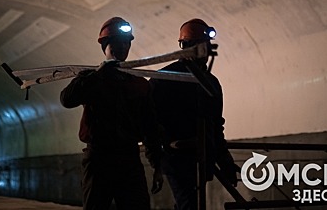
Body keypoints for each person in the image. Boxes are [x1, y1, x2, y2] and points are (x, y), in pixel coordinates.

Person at [60, 16, 163, 210]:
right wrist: (96, 76)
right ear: (105, 45)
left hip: (129, 159)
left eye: (126, 43)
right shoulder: (91, 79)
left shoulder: (139, 83)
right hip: (99, 159)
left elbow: (150, 126)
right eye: (118, 43)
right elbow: (67, 99)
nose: (123, 47)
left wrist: (157, 166)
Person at [149, 18, 238, 210]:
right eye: (201, 45)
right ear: (186, 46)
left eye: (206, 45)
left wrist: (224, 158)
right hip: (177, 158)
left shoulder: (210, 82)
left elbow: (215, 124)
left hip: (201, 157)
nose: (206, 51)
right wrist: (156, 161)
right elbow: (151, 123)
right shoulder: (164, 79)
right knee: (189, 205)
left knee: (189, 204)